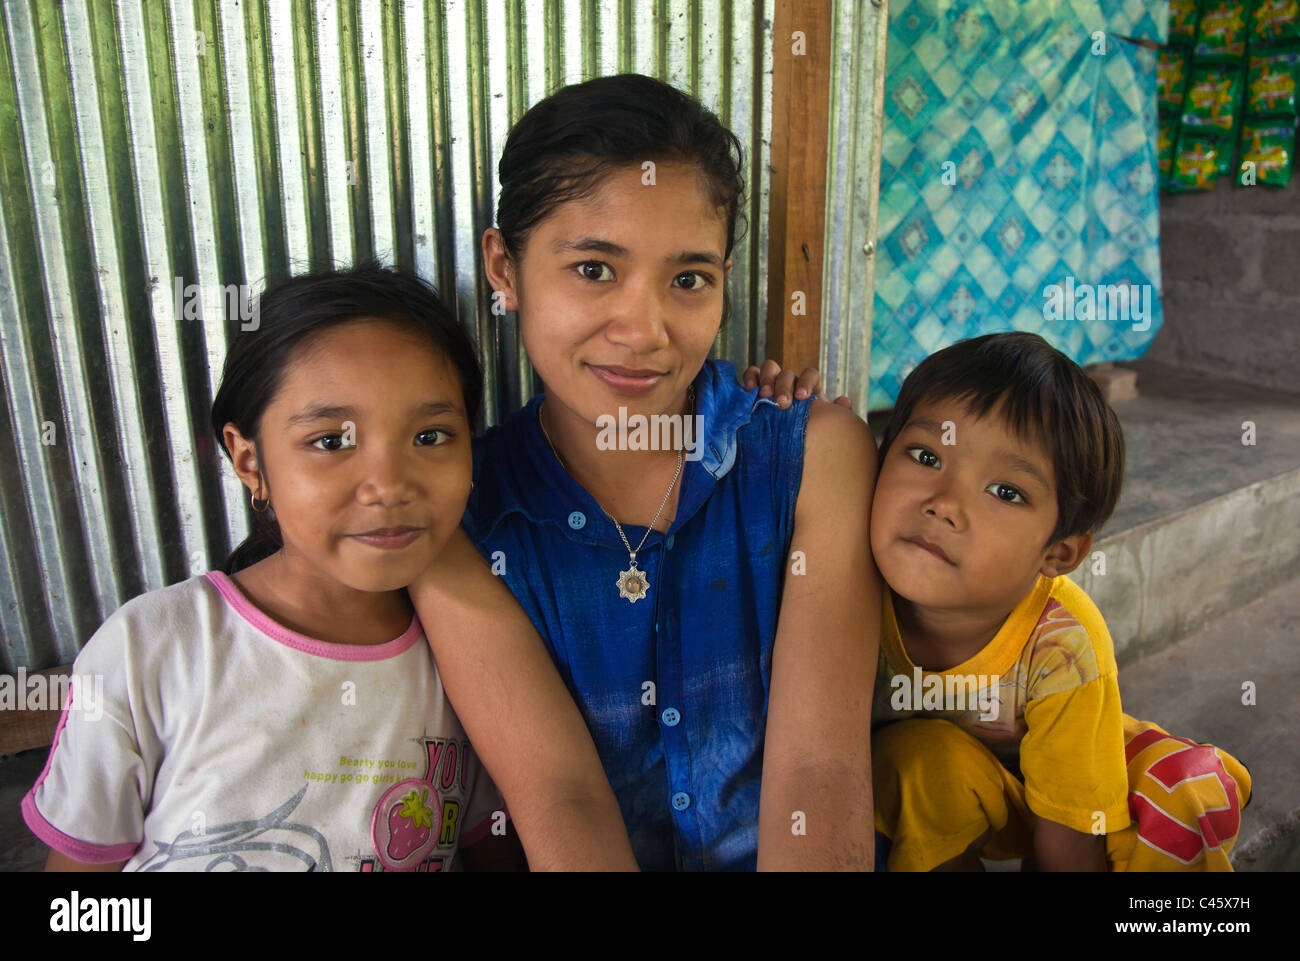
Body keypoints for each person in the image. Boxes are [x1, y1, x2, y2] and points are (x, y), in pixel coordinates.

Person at [409, 73, 879, 871]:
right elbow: (561, 797)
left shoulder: (813, 460)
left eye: (688, 279)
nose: (644, 329)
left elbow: (820, 771)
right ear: (504, 266)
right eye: (594, 269)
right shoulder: (462, 512)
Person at [22, 266, 544, 871]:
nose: (389, 486)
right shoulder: (153, 648)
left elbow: (495, 850)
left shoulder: (469, 666)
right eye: (330, 442)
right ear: (249, 461)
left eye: (431, 436)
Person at [868, 332, 1252, 871]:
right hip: (976, 785)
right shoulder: (847, 586)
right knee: (912, 762)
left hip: (1088, 790)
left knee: (1181, 793)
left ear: (1060, 552)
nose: (944, 504)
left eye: (1006, 492)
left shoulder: (1064, 645)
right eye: (926, 455)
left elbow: (1073, 837)